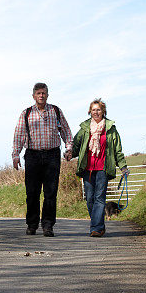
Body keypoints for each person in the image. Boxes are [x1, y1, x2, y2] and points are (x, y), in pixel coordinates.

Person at [12, 82, 73, 237]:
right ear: (33, 96)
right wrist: (15, 154)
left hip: (52, 155)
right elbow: (19, 135)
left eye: (43, 93)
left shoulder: (56, 111)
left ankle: (48, 225)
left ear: (47, 95)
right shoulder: (26, 113)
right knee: (32, 192)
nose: (41, 96)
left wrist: (69, 148)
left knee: (50, 193)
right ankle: (32, 225)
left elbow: (66, 131)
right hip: (32, 156)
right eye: (38, 93)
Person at [66, 98, 129, 237]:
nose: (96, 112)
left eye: (98, 109)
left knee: (99, 198)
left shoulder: (110, 129)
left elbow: (117, 150)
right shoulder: (84, 128)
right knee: (90, 199)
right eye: (93, 110)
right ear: (90, 111)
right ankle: (99, 225)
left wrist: (123, 167)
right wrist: (70, 153)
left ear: (103, 111)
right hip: (87, 168)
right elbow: (76, 146)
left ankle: (96, 228)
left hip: (103, 168)